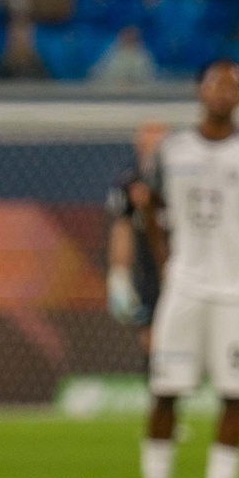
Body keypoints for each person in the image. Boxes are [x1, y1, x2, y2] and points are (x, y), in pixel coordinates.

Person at [124, 61, 239, 478]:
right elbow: (147, 204)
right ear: (199, 90)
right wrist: (166, 259)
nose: (223, 92)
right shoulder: (171, 149)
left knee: (236, 394)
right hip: (185, 289)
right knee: (165, 390)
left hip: (236, 292)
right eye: (215, 83)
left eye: (234, 85)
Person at [105, 121, 169, 350]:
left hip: (183, 265)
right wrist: (119, 274)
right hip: (149, 267)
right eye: (148, 134)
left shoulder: (182, 178)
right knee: (151, 340)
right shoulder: (128, 181)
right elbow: (123, 226)